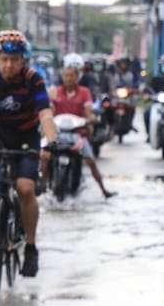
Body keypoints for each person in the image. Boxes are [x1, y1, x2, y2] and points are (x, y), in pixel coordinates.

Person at [0, 29, 59, 278]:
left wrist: (51, 141)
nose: (9, 65)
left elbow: (45, 114)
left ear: (23, 60)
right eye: (4, 59)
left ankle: (30, 246)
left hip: (26, 137)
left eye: (15, 59)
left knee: (26, 189)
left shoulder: (34, 79)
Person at [45, 54, 116, 198]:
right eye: (66, 75)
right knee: (43, 156)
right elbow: (49, 110)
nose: (69, 78)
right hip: (57, 133)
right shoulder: (55, 91)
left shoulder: (85, 92)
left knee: (90, 160)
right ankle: (42, 184)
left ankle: (103, 189)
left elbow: (88, 111)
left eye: (72, 76)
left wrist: (91, 119)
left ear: (78, 76)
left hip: (77, 133)